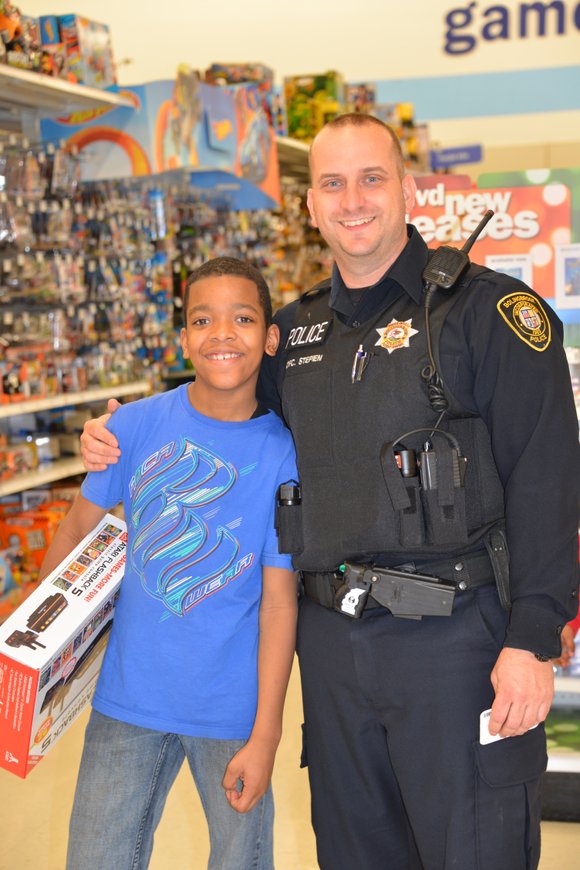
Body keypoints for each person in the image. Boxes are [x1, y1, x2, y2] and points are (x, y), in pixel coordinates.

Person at [80, 115, 580, 870]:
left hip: (460, 646)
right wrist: (116, 434)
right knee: (353, 853)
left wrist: (533, 640)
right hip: (335, 651)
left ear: (408, 189)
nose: (353, 201)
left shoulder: (489, 316)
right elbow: (221, 407)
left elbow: (548, 480)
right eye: (332, 184)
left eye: (371, 179)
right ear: (310, 205)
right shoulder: (295, 335)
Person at [41, 257, 298, 870]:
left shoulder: (283, 451)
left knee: (241, 859)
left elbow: (279, 602)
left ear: (270, 338)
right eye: (201, 320)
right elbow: (78, 534)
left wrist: (266, 736)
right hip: (127, 699)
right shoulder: (134, 425)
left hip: (231, 710)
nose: (221, 335)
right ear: (183, 337)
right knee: (96, 857)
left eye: (242, 318)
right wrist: (28, 645)